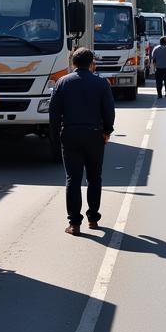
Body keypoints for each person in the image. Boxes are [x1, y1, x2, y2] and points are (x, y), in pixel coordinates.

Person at [49, 46, 116, 235]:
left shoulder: (62, 82)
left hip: (70, 134)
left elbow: (54, 113)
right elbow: (109, 110)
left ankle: (74, 224)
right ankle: (93, 219)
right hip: (94, 135)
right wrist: (107, 130)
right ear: (91, 63)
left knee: (73, 179)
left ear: (73, 63)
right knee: (94, 178)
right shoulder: (101, 83)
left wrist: (55, 136)